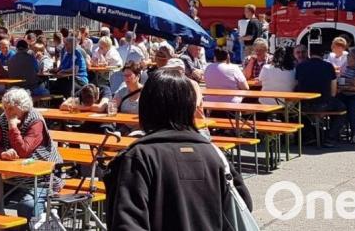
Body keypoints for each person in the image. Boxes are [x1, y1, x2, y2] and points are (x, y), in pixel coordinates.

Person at [104, 68, 252, 231]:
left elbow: (126, 222)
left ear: (147, 107)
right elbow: (244, 205)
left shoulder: (138, 157)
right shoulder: (215, 155)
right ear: (189, 107)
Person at [0, 88, 63, 220]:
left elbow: (23, 151)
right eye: (5, 108)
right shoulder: (3, 119)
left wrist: (13, 127)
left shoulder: (35, 121)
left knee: (27, 206)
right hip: (12, 175)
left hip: (42, 177)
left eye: (11, 109)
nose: (7, 112)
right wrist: (3, 153)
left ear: (23, 108)